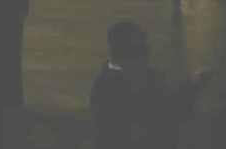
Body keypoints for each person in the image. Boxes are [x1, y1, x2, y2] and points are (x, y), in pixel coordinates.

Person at [89, 21, 207, 149]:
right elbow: (166, 112)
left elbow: (169, 109)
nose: (146, 53)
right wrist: (192, 87)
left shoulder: (106, 83)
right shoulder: (113, 85)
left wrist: (192, 87)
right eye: (141, 48)